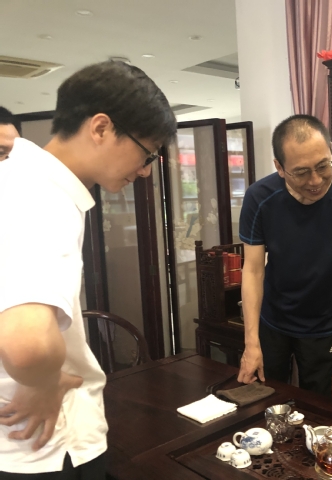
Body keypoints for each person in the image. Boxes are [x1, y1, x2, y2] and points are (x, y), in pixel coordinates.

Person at [0, 61, 176, 478]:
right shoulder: (41, 197)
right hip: (48, 445)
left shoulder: (15, 181)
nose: (145, 170)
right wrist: (47, 381)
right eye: (146, 152)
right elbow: (27, 344)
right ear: (100, 128)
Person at [236, 114, 332, 403]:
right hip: (272, 319)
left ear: (331, 153)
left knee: (322, 408)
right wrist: (251, 343)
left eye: (323, 166)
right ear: (279, 167)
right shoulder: (259, 198)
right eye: (301, 172)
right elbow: (252, 271)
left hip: (325, 323)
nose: (315, 181)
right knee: (265, 403)